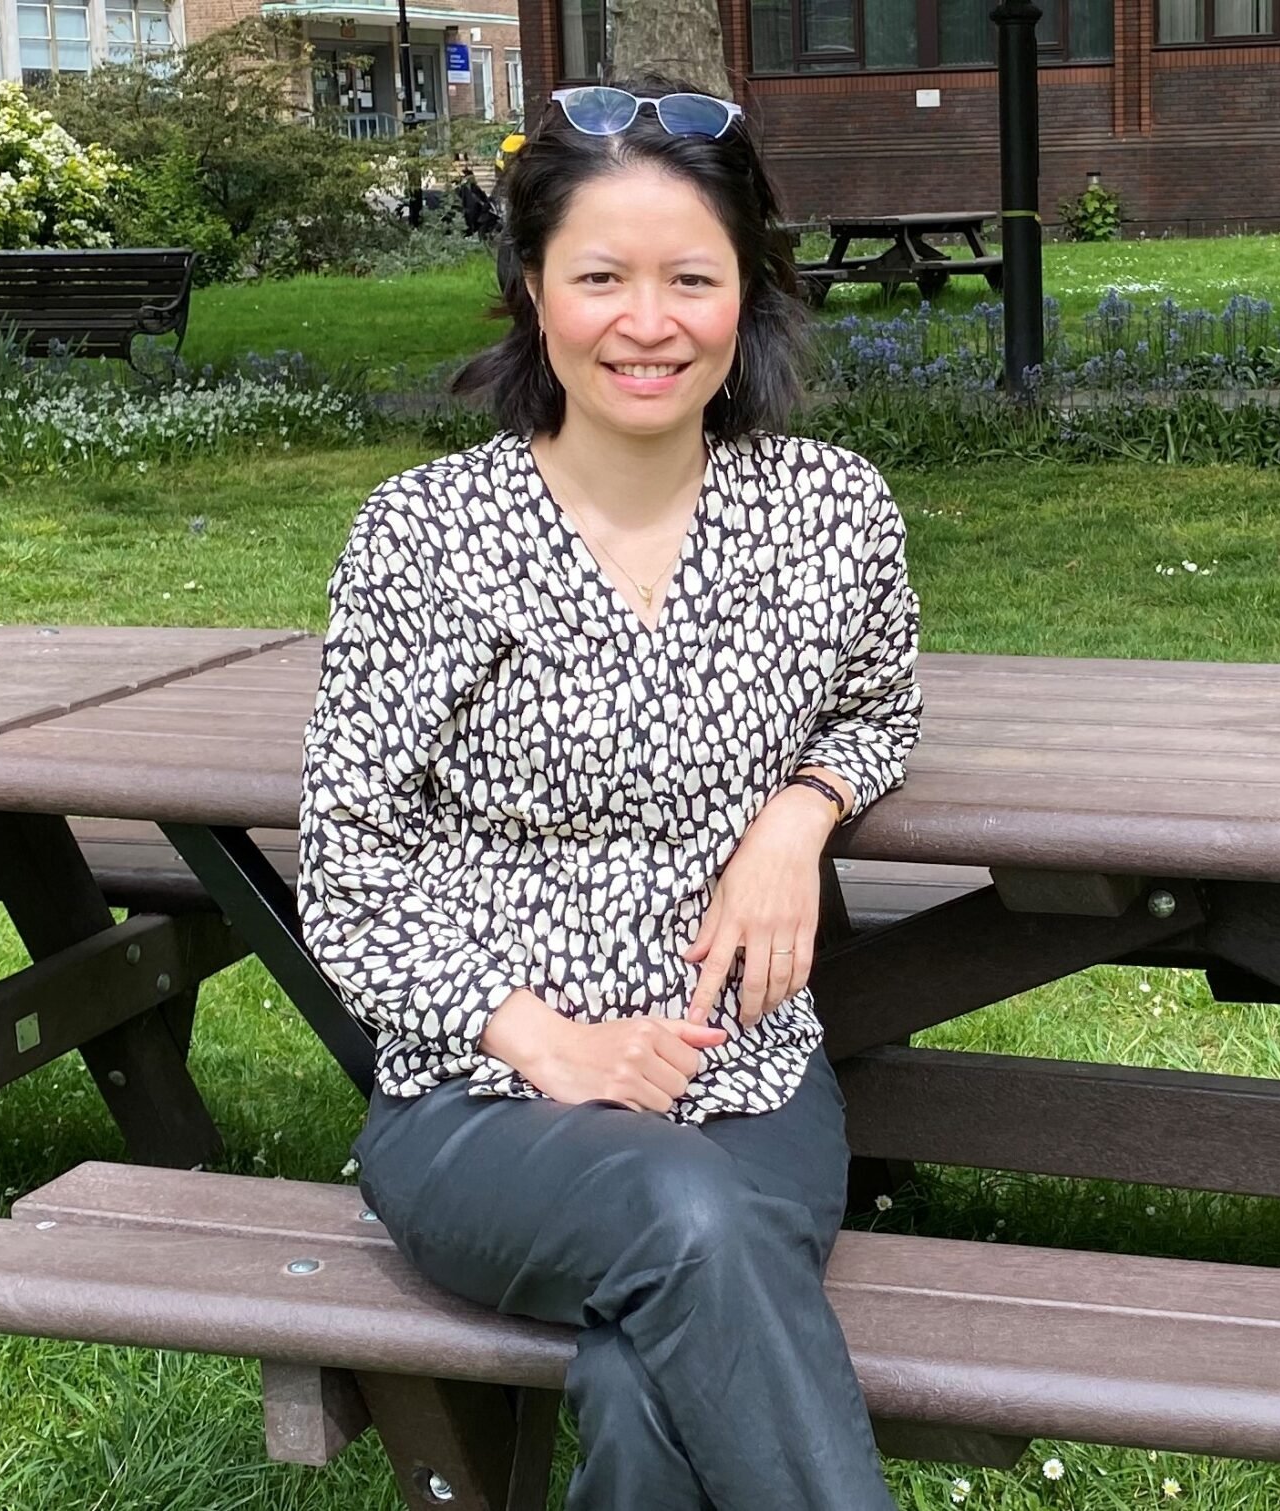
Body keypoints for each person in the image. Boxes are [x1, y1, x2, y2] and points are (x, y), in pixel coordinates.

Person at [293, 73, 922, 1511]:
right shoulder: (426, 536)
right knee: (687, 1230)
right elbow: (350, 865)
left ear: (748, 291)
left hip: (748, 1081)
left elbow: (884, 703)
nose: (650, 322)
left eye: (691, 277)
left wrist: (801, 809)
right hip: (482, 1104)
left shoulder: (831, 511)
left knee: (648, 1387)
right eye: (602, 278)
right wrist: (545, 1044)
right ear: (532, 290)